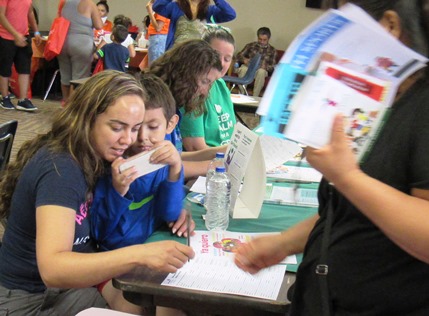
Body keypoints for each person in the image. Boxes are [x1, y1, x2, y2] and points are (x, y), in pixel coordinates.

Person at [234, 1, 429, 315]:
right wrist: (284, 243)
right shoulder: (384, 100)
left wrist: (347, 177)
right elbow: (354, 209)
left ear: (389, 26)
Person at [0, 71, 194, 315]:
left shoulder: (102, 154)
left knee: (161, 298)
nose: (128, 139)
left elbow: (156, 177)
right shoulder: (60, 169)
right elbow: (53, 269)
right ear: (87, 118)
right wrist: (140, 254)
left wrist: (179, 208)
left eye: (134, 128)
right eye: (117, 127)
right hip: (27, 299)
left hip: (69, 288)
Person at [149, 39, 229, 179]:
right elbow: (155, 166)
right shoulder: (154, 106)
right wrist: (214, 166)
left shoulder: (174, 104)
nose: (205, 92)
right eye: (205, 82)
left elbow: (174, 155)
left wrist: (219, 152)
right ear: (186, 73)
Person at [180, 26, 237, 151]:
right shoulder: (193, 88)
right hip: (208, 161)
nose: (221, 63)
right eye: (216, 55)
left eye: (227, 59)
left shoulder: (221, 85)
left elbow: (233, 131)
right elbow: (195, 148)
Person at [58, 0, 103, 104]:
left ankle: (64, 103)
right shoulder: (89, 4)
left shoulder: (64, 2)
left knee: (65, 77)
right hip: (81, 44)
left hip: (62, 42)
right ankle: (73, 107)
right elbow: (99, 25)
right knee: (79, 79)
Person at [0, 0, 41, 111]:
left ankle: (23, 99)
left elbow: (30, 13)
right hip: (5, 37)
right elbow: (1, 16)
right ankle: (5, 98)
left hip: (24, 36)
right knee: (5, 69)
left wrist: (36, 31)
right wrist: (15, 34)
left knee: (24, 68)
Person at [153, 0, 236, 51]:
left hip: (200, 55)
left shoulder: (210, 10)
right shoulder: (175, 7)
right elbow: (157, 7)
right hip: (176, 52)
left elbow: (230, 14)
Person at [235, 27, 277, 97]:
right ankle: (242, 94)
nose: (262, 42)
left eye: (264, 40)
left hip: (261, 69)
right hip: (248, 67)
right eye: (260, 39)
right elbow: (239, 55)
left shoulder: (272, 50)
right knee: (243, 69)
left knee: (261, 72)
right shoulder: (250, 46)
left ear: (268, 39)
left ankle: (255, 96)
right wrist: (244, 60)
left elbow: (272, 66)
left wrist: (265, 67)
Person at [146, 0, 170, 65]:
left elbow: (158, 28)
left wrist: (149, 11)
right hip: (160, 38)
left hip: (158, 38)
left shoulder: (161, 6)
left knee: (154, 65)